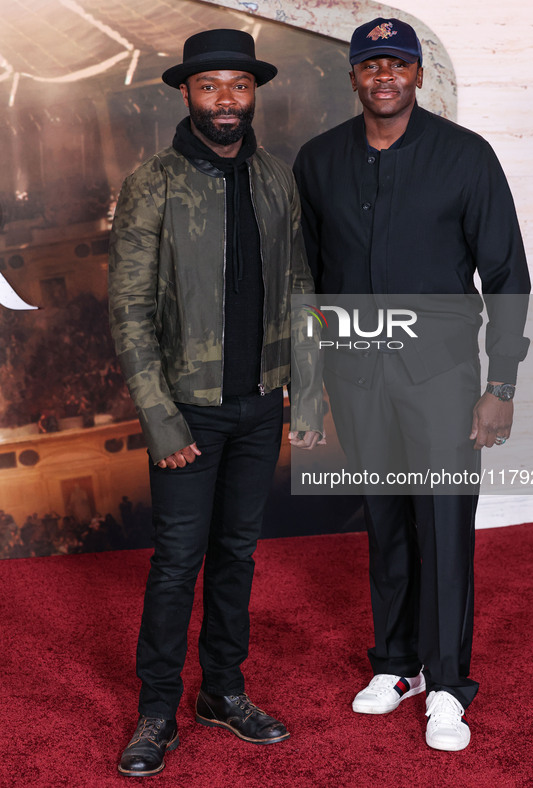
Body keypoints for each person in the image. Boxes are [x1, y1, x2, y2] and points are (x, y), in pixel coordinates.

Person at [293, 17, 530, 752]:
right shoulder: (318, 160)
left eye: (398, 64)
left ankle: (449, 685)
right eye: (371, 66)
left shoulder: (465, 157)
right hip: (355, 373)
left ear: (418, 76)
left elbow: (507, 279)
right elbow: (307, 282)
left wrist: (501, 385)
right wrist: (309, 387)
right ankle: (397, 666)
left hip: (444, 379)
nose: (384, 77)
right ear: (354, 77)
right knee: (385, 520)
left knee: (444, 527)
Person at [109, 29, 322, 777]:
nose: (225, 99)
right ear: (186, 94)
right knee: (176, 563)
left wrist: (307, 393)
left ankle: (223, 694)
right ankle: (158, 711)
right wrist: (161, 417)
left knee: (237, 556)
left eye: (237, 84)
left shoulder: (274, 176)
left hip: (260, 405)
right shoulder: (152, 183)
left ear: (251, 92)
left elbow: (300, 289)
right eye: (209, 86)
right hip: (186, 413)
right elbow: (129, 309)